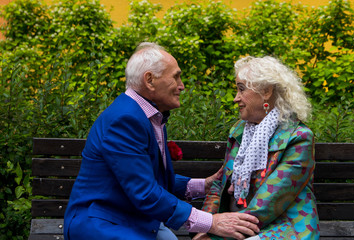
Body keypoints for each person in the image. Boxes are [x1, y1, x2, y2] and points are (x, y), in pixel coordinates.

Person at [63, 42, 260, 240]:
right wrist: (212, 222)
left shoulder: (148, 114)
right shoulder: (124, 120)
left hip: (130, 218)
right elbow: (145, 192)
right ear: (149, 80)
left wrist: (204, 185)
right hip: (103, 224)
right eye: (176, 77)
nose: (182, 86)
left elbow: (148, 178)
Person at [193, 56, 320, 240]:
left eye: (241, 89)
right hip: (239, 226)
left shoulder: (298, 138)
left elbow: (269, 202)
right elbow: (219, 186)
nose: (236, 98)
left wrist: (220, 232)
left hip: (284, 229)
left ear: (266, 92)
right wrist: (204, 227)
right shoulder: (239, 132)